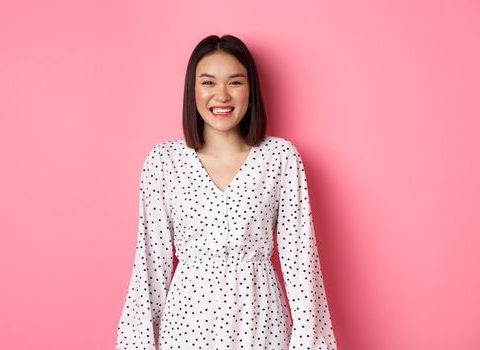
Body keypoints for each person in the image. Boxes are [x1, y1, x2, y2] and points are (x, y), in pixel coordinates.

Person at [116, 34, 337, 350]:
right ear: (192, 91)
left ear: (251, 91)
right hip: (186, 328)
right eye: (208, 83)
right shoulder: (164, 161)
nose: (221, 95)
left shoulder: (280, 158)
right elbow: (150, 265)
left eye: (235, 82)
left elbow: (302, 264)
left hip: (260, 323)